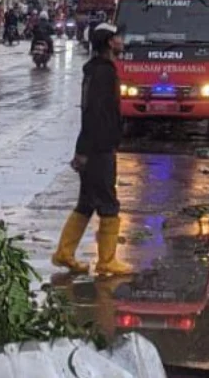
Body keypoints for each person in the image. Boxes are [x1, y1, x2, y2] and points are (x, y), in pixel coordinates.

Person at [51, 23, 131, 276]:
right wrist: (84, 150)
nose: (122, 41)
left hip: (94, 145)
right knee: (108, 202)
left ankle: (64, 253)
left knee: (86, 202)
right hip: (99, 147)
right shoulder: (103, 73)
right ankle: (107, 260)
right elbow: (94, 113)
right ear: (109, 42)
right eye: (118, 37)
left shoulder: (97, 70)